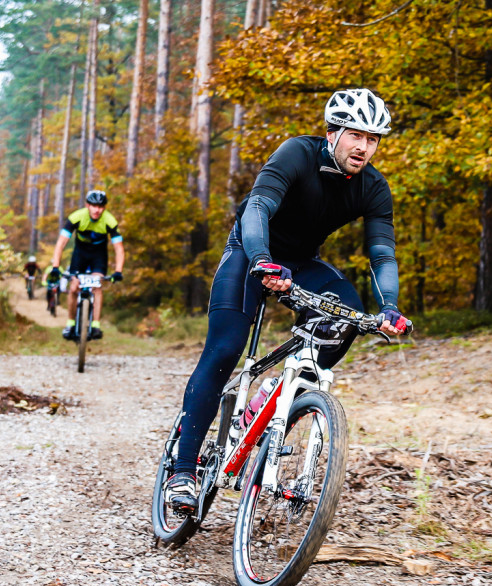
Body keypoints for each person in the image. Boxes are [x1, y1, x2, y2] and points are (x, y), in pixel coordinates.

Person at [164, 88, 410, 513]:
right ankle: (183, 471)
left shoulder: (373, 187)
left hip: (300, 262)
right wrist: (261, 260)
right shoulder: (297, 153)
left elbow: (382, 253)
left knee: (347, 318)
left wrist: (388, 305)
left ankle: (269, 403)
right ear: (333, 132)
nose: (364, 147)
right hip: (250, 251)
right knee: (224, 349)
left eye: (373, 139)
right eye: (356, 135)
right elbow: (257, 207)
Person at [47, 190, 125, 340]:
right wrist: (56, 266)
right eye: (94, 206)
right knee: (74, 286)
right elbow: (61, 243)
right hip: (80, 255)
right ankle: (70, 323)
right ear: (87, 205)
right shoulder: (76, 217)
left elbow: (119, 248)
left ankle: (95, 325)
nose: (97, 210)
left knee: (97, 287)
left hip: (98, 256)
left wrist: (118, 271)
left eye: (101, 207)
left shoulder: (110, 221)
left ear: (105, 208)